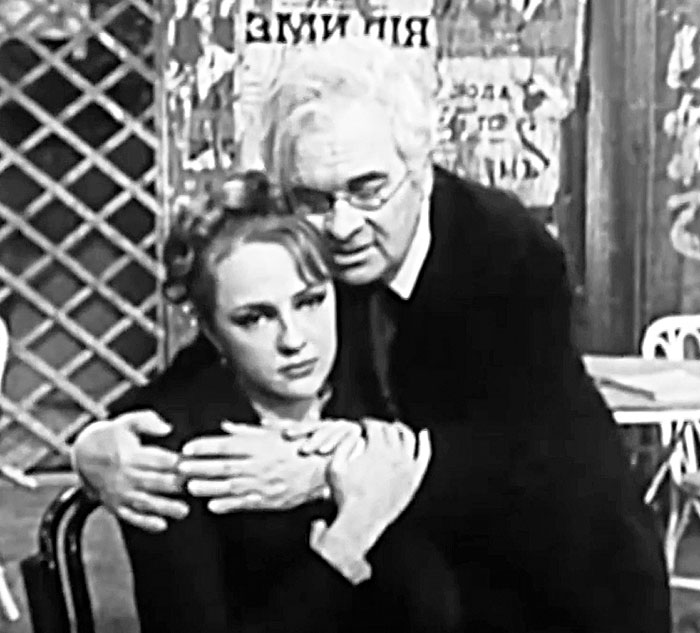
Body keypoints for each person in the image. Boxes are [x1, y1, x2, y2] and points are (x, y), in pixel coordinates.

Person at [72, 37, 670, 632]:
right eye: (313, 198)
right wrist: (96, 444)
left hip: (571, 577)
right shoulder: (314, 256)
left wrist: (330, 472)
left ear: (421, 170)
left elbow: (516, 455)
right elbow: (214, 354)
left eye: (367, 190)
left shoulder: (506, 253)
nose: (342, 226)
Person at [116, 170, 457, 633]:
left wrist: (347, 463)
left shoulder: (376, 386)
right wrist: (347, 539)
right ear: (212, 331)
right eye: (255, 318)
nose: (294, 340)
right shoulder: (175, 453)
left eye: (310, 302)